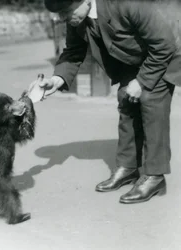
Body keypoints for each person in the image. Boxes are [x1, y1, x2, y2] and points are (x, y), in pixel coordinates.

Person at [38, 0, 181, 204]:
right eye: (59, 14)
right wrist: (56, 79)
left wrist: (141, 81)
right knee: (126, 99)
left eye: (66, 12)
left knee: (151, 101)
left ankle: (155, 176)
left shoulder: (126, 3)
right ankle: (129, 167)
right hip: (137, 56)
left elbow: (164, 44)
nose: (62, 19)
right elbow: (73, 52)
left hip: (166, 51)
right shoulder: (76, 18)